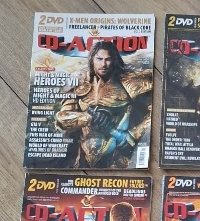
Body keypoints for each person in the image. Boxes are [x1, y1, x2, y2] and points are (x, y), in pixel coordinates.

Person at [55, 40, 152, 168]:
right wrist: (88, 118)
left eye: (108, 59)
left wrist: (133, 136)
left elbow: (154, 114)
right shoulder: (79, 80)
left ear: (114, 60)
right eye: (99, 59)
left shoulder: (131, 80)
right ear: (92, 59)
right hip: (83, 154)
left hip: (119, 155)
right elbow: (62, 118)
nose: (103, 64)